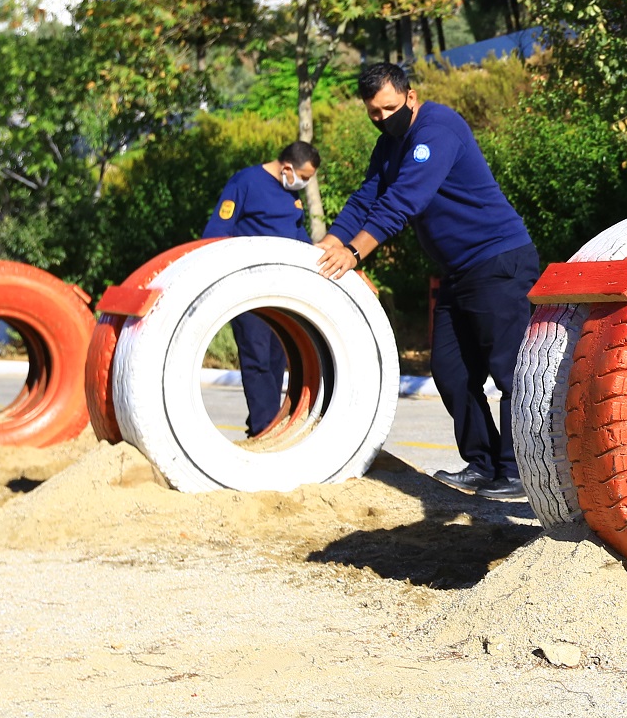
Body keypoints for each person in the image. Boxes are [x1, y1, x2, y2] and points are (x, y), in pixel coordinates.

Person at [316, 63, 539, 503]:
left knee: (509, 371)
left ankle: (517, 471)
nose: (382, 118)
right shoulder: (390, 143)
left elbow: (404, 200)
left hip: (498, 261)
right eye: (374, 113)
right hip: (459, 273)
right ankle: (482, 463)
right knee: (451, 373)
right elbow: (367, 197)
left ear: (411, 97)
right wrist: (329, 242)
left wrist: (354, 252)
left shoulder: (437, 130)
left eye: (390, 108)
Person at [201, 141, 321, 437]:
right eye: (303, 176)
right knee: (257, 359)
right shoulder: (246, 182)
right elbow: (217, 233)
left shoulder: (291, 196)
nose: (304, 183)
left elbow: (300, 238)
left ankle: (270, 422)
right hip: (248, 290)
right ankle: (263, 428)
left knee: (277, 360)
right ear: (287, 167)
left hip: (282, 292)